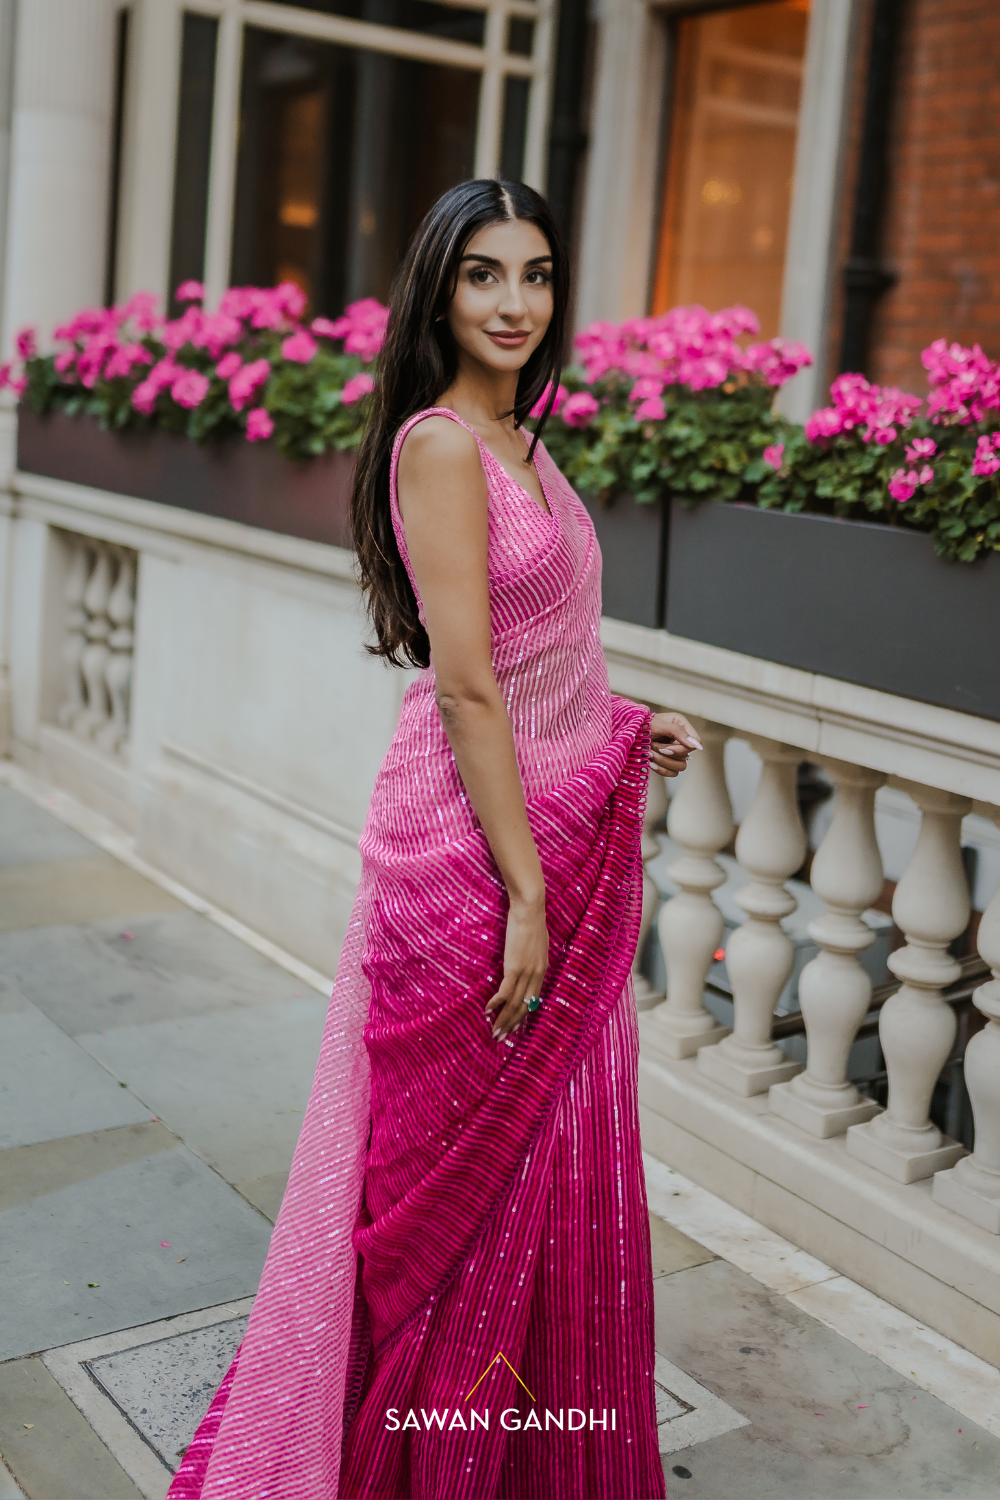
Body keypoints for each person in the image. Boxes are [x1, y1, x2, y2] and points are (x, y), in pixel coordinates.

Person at [168, 178, 700, 1500]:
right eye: (484, 275)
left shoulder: (528, 442)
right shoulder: (443, 447)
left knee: (550, 1168)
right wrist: (526, 894)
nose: (515, 302)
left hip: (546, 843)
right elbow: (466, 685)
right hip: (471, 864)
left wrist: (632, 719)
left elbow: (543, 652)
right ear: (439, 292)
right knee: (448, 1204)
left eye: (535, 273)